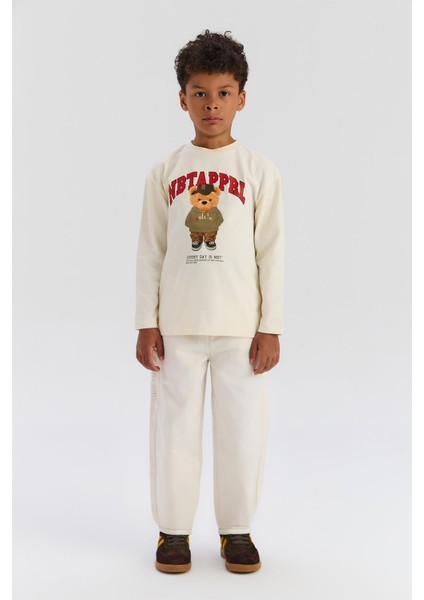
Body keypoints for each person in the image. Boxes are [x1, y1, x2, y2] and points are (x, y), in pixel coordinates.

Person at [135, 29, 284, 574]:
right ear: (182, 99)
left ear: (242, 98)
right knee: (175, 429)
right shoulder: (165, 172)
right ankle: (173, 532)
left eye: (223, 93)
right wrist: (145, 322)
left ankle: (236, 530)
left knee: (242, 431)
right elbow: (151, 250)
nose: (212, 104)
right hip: (177, 325)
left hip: (241, 328)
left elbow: (272, 252)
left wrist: (271, 326)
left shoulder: (259, 171)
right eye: (200, 93)